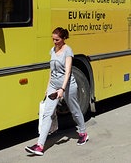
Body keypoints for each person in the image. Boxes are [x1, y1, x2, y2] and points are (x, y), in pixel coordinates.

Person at [25, 27, 89, 156]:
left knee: (75, 111)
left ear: (63, 39)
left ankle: (83, 132)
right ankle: (40, 146)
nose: (54, 42)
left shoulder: (68, 51)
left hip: (68, 86)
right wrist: (48, 87)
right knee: (47, 114)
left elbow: (68, 72)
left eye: (57, 40)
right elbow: (51, 71)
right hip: (53, 85)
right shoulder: (53, 50)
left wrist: (62, 89)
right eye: (53, 39)